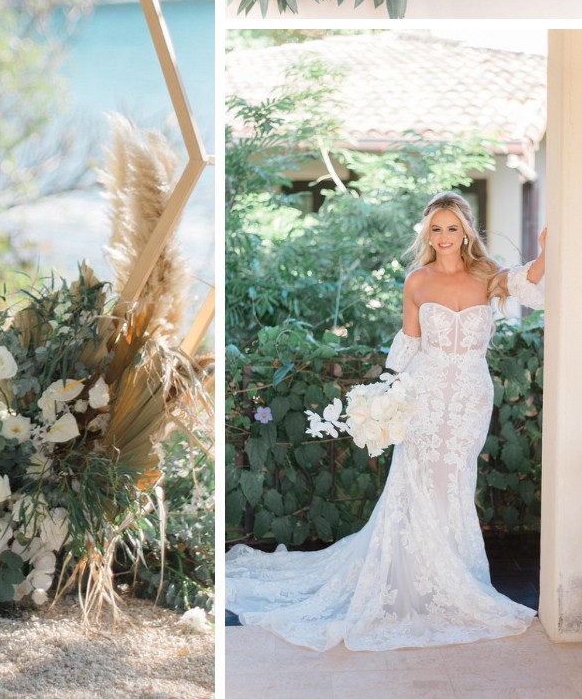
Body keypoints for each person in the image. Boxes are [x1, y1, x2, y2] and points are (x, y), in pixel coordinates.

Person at [225, 191, 547, 651]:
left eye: (452, 228)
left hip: (470, 397)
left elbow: (531, 284)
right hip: (425, 393)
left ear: (467, 231)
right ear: (427, 234)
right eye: (436, 229)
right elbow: (408, 345)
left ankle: (452, 575)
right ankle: (414, 578)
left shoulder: (487, 275)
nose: (444, 237)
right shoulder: (417, 280)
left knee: (454, 479)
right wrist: (386, 397)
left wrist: (548, 250)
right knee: (416, 480)